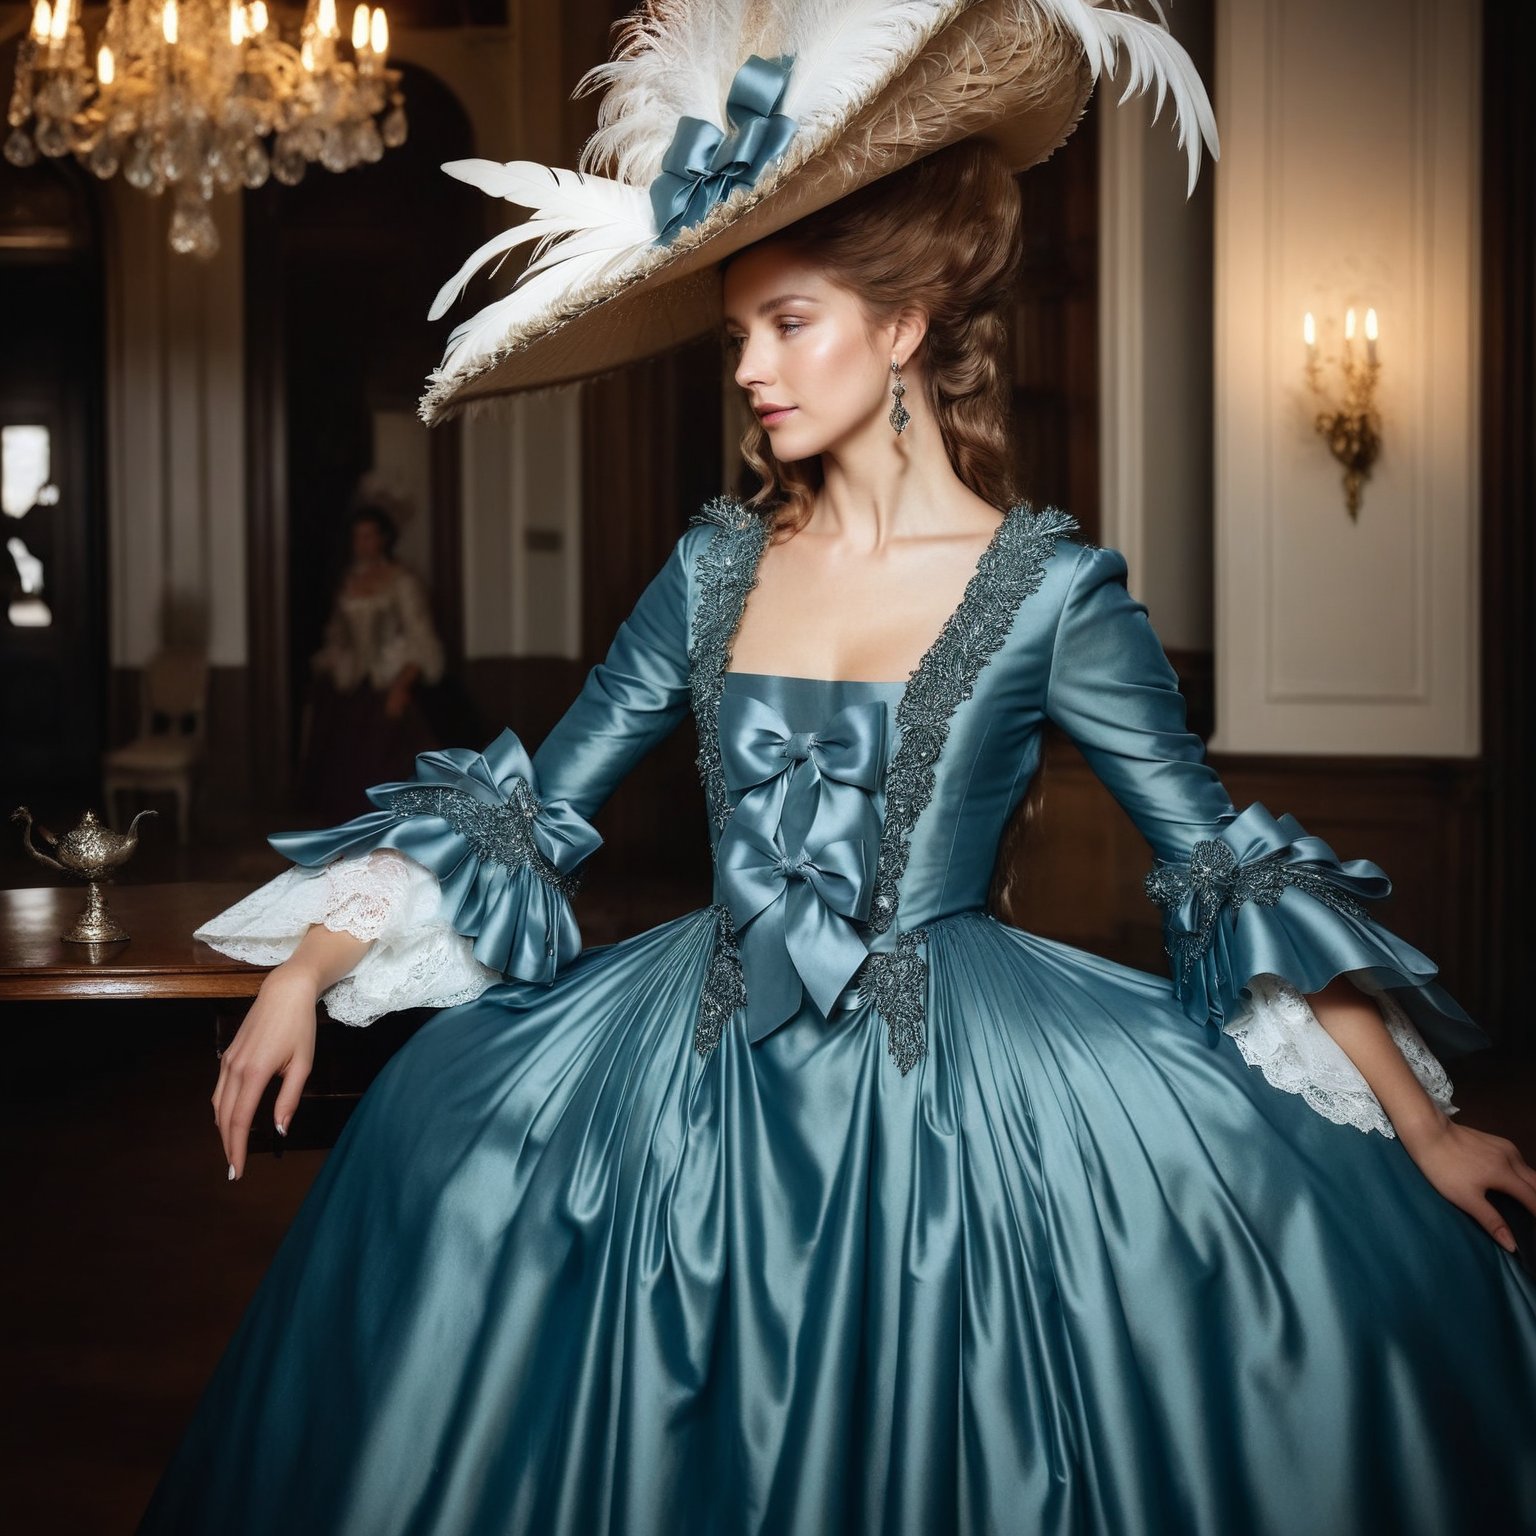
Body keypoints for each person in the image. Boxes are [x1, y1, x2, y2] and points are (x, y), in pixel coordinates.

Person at [142, 5, 1536, 1532]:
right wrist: (304, 968)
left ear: (906, 325)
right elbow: (533, 805)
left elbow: (1224, 871)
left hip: (965, 1097)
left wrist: (1420, 1125)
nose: (747, 367)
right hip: (687, 1071)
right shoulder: (713, 563)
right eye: (735, 329)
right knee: (446, 1163)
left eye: (786, 322)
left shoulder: (1055, 591)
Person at [297, 495, 446, 823]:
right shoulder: (349, 582)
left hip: (389, 680)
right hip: (351, 683)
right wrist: (335, 665)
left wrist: (402, 685)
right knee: (340, 770)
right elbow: (337, 635)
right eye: (357, 536)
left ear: (383, 538)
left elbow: (421, 640)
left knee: (386, 760)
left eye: (369, 535)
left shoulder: (402, 581)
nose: (362, 544)